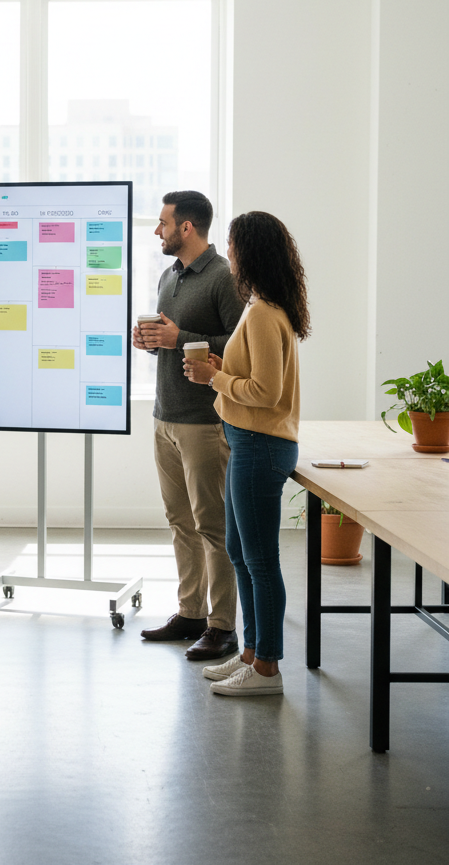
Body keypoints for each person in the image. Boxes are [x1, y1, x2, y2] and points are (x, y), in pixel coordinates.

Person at [183, 211, 309, 697]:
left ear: (248, 251)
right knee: (241, 552)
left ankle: (266, 670)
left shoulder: (261, 312)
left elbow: (266, 392)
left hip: (259, 445)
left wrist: (214, 378)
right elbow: (255, 379)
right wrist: (221, 366)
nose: (228, 253)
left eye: (233, 245)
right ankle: (253, 653)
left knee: (259, 560)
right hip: (248, 442)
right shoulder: (265, 307)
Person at [133, 191, 246, 660]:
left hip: (205, 422)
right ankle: (191, 612)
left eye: (163, 223)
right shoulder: (168, 275)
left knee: (212, 526)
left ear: (187, 227)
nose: (157, 231)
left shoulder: (224, 279)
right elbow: (173, 340)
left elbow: (239, 346)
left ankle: (222, 626)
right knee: (180, 522)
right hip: (165, 417)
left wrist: (181, 338)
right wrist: (151, 341)